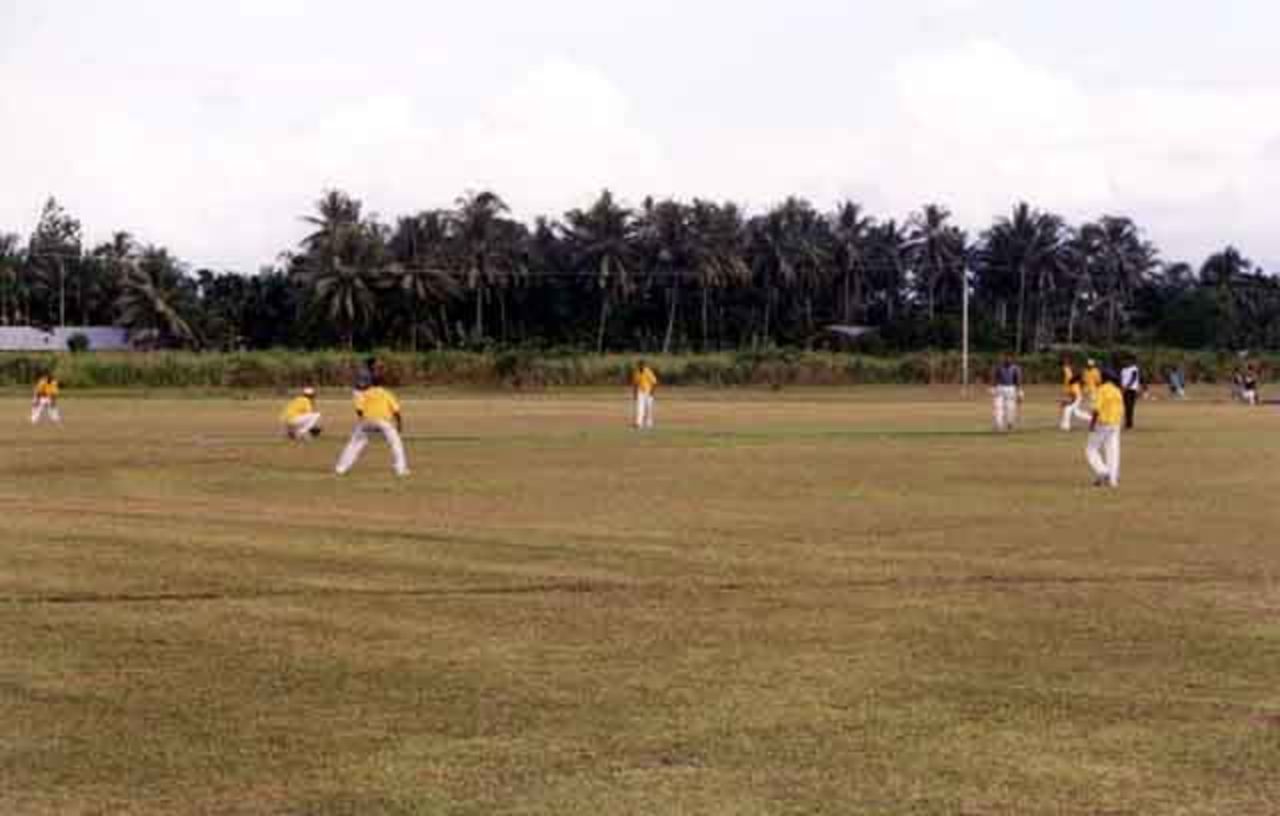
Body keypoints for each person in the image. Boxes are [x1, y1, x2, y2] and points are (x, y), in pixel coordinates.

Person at [335, 377, 410, 477]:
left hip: (366, 420)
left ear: (370, 384)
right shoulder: (386, 393)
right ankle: (400, 470)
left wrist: (364, 421)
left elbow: (359, 410)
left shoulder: (364, 393)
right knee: (396, 443)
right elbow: (396, 411)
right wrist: (399, 424)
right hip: (383, 421)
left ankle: (341, 468)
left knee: (354, 444)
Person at [1086, 369, 1125, 488]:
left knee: (1091, 449)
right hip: (1115, 424)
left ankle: (1103, 472)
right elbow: (1121, 409)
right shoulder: (1117, 390)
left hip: (1103, 423)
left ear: (1103, 378)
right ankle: (1113, 480)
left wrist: (1092, 424)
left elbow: (1096, 409)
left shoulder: (1101, 390)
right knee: (1113, 451)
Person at [990, 353, 1024, 432]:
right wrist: (992, 387)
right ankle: (998, 424)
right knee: (998, 407)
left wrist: (1020, 391)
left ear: (1012, 359)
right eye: (1006, 358)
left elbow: (1018, 380)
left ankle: (1010, 423)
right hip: (1000, 388)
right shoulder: (999, 367)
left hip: (1011, 388)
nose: (1008, 360)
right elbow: (994, 377)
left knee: (1010, 407)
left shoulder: (1015, 368)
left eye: (1010, 358)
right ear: (1004, 359)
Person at [631, 359, 659, 430]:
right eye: (639, 365)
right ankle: (638, 423)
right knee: (640, 407)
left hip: (648, 391)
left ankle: (649, 423)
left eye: (642, 365)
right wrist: (635, 393)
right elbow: (635, 383)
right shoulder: (636, 372)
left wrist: (652, 392)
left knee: (649, 408)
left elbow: (654, 382)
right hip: (640, 391)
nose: (640, 366)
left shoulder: (648, 371)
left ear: (644, 365)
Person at [1120, 358, 1142, 429]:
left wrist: (1127, 386)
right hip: (1124, 390)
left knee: (1130, 406)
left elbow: (1133, 378)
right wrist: (1122, 387)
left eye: (1127, 361)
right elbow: (1121, 379)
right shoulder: (1123, 370)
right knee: (1127, 406)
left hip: (1132, 389)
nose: (1125, 362)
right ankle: (1128, 422)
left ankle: (1129, 423)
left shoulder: (1134, 368)